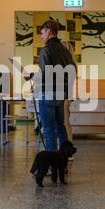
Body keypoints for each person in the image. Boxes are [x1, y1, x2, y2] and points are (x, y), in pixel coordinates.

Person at [36, 20, 76, 152]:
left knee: (48, 130)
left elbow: (44, 75)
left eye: (42, 33)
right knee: (61, 127)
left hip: (48, 93)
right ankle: (62, 163)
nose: (41, 36)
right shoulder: (65, 51)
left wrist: (31, 77)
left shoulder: (46, 50)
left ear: (48, 31)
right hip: (61, 94)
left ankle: (53, 167)